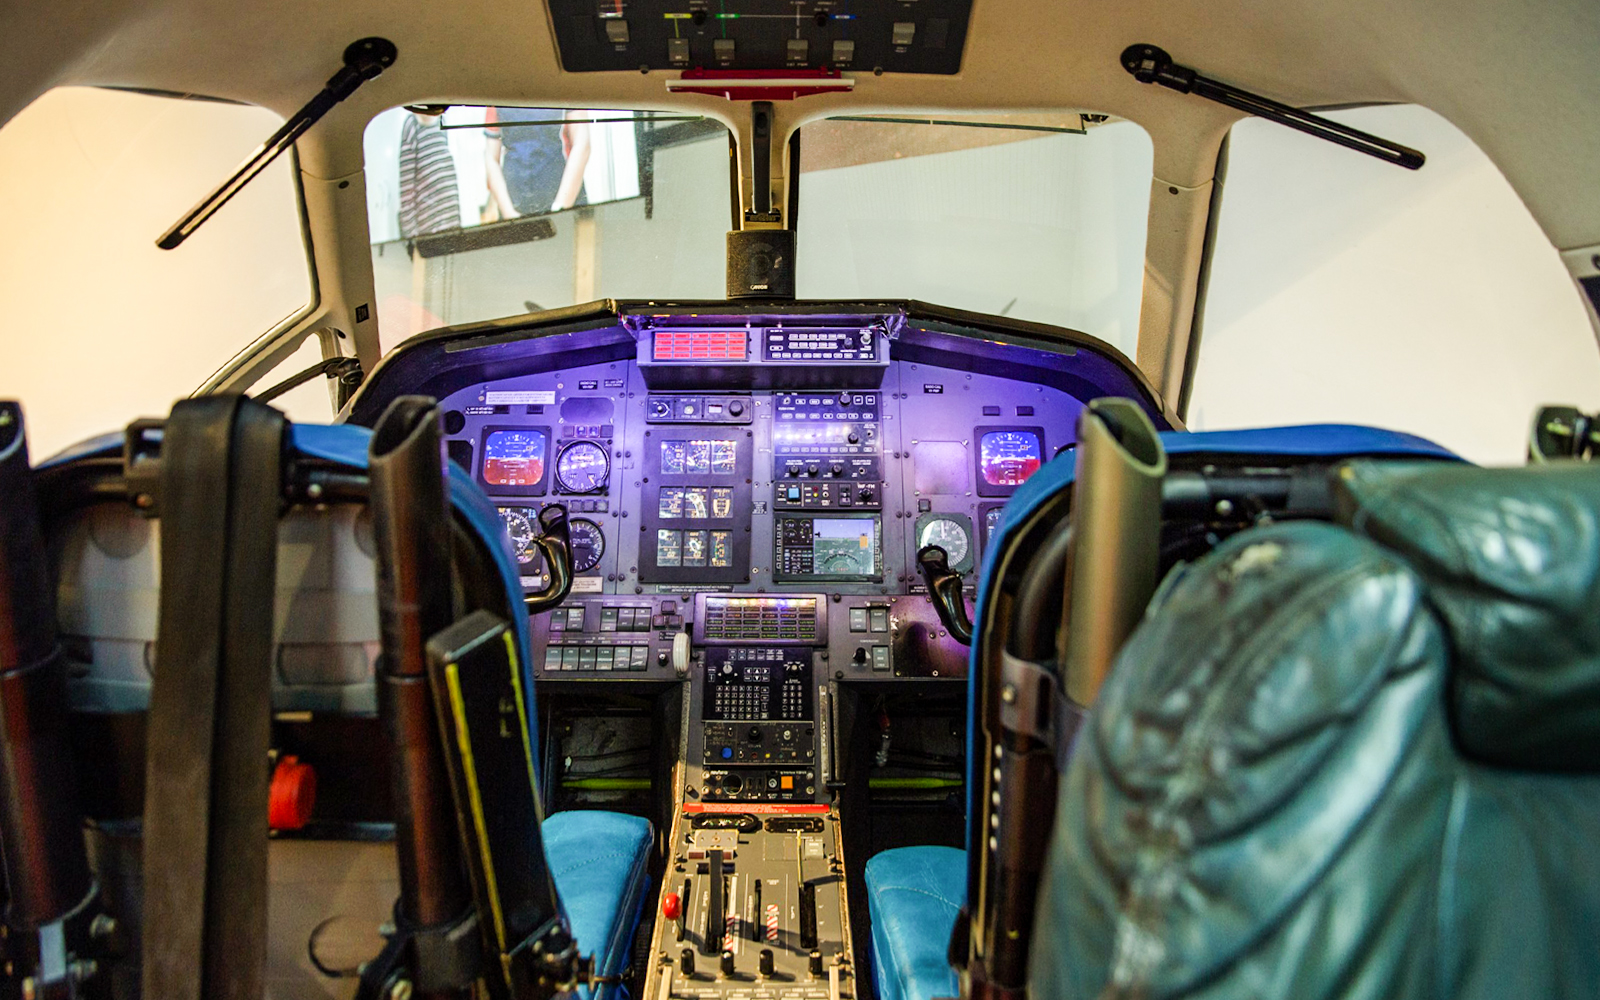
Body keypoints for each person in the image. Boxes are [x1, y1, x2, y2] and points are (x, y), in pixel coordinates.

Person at [483, 107, 591, 219]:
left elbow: (582, 144)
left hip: (566, 200)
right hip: (515, 205)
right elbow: (491, 157)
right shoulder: (497, 95)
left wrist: (561, 207)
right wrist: (509, 213)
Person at [397, 110, 461, 237]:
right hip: (428, 232)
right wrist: (413, 242)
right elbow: (406, 192)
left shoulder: (442, 121)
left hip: (451, 226)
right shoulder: (412, 125)